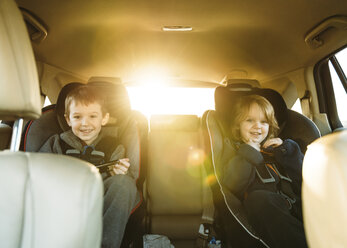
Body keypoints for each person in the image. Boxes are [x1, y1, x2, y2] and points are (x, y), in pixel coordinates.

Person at [39, 84, 139, 248]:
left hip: (101, 197)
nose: (85, 123)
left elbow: (119, 184)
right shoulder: (57, 143)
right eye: (77, 117)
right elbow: (39, 172)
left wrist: (119, 173)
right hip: (65, 196)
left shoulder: (114, 146)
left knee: (124, 183)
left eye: (93, 116)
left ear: (104, 119)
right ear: (68, 119)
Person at [222, 95, 307, 248]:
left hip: (296, 204)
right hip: (265, 207)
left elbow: (303, 176)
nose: (257, 126)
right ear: (238, 125)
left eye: (264, 122)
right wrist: (249, 153)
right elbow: (233, 184)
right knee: (258, 199)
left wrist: (285, 149)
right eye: (249, 120)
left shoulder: (278, 149)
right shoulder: (237, 153)